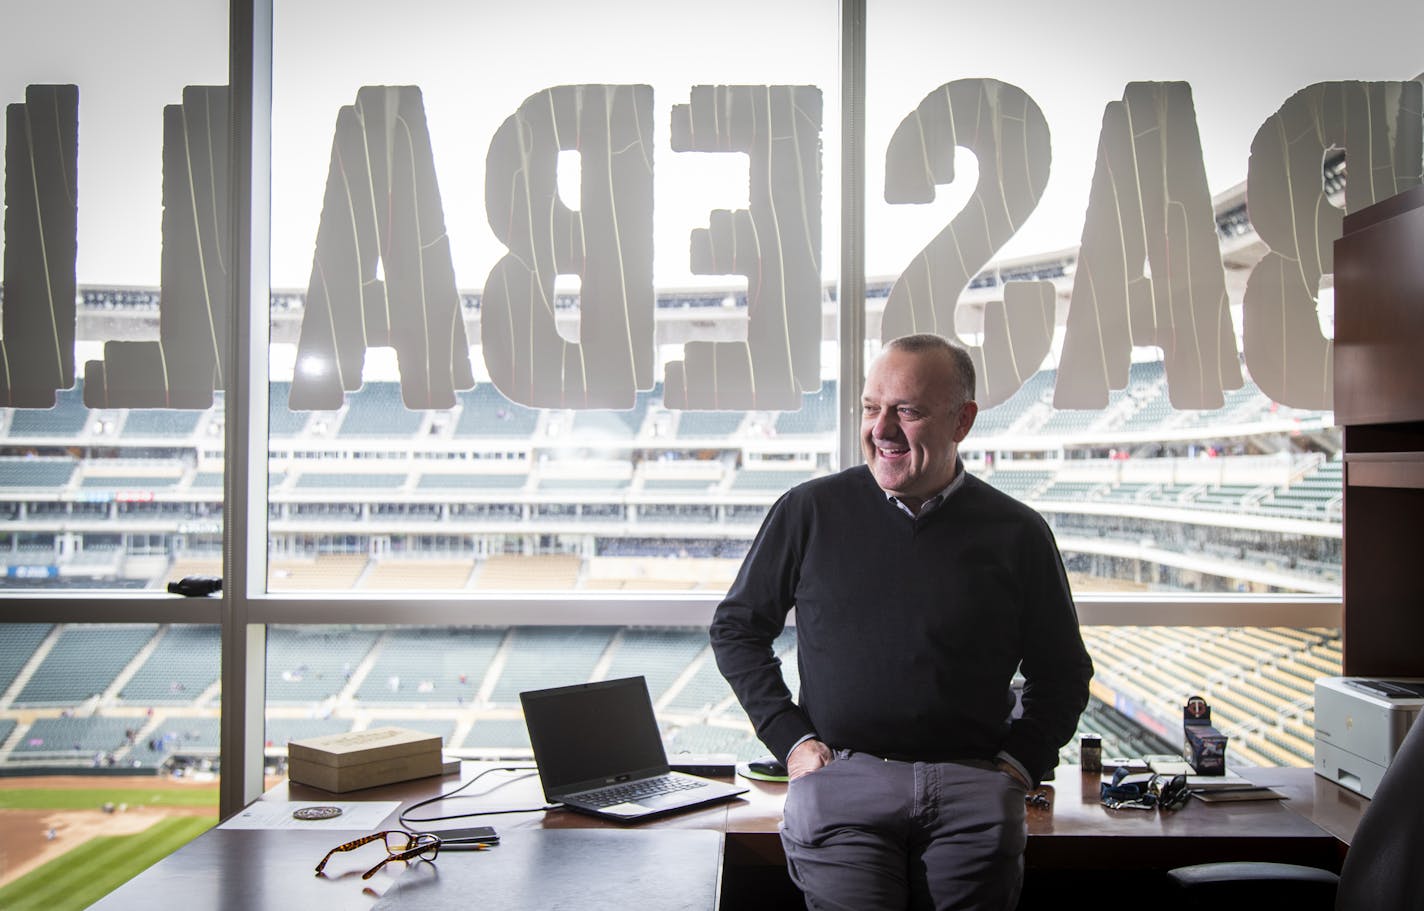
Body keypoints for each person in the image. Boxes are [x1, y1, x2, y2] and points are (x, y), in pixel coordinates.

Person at [710, 333, 1093, 911]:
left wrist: (1019, 764)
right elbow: (736, 628)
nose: (881, 429)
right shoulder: (808, 511)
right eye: (871, 408)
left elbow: (1062, 672)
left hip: (972, 788)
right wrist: (791, 741)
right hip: (843, 782)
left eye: (907, 411)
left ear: (962, 422)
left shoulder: (1018, 532)